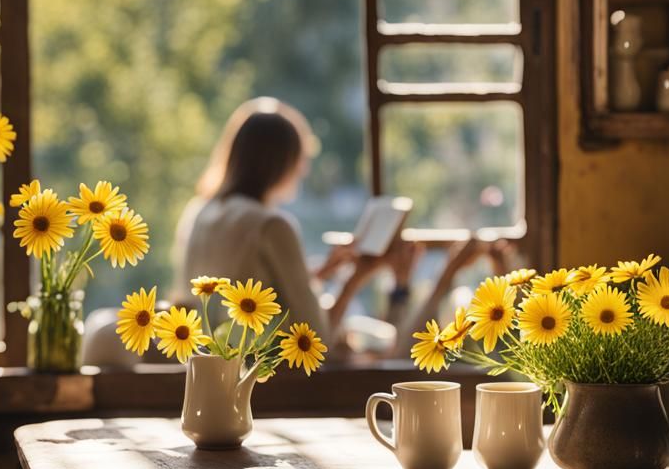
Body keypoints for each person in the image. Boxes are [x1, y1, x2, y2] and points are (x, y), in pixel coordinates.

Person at [172, 97, 481, 346]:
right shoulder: (271, 225)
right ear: (281, 161)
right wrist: (355, 279)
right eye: (301, 157)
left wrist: (318, 275)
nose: (304, 169)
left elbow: (244, 288)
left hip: (212, 369)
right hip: (269, 381)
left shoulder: (200, 211)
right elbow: (317, 339)